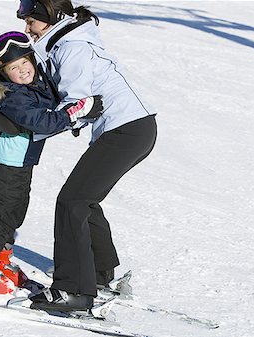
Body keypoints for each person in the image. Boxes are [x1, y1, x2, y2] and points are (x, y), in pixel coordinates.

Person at [16, 0, 158, 312]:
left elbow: (78, 103)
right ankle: (98, 272)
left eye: (31, 21)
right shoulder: (68, 41)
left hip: (126, 129)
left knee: (73, 201)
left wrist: (35, 130)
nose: (27, 29)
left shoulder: (73, 47)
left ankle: (74, 291)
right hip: (133, 128)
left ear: (50, 16)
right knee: (84, 199)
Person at [0, 30, 103, 294]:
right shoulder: (12, 95)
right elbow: (42, 122)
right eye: (14, 68)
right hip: (7, 165)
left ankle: (0, 262)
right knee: (3, 216)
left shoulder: (34, 86)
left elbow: (52, 109)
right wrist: (73, 114)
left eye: (25, 63)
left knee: (15, 212)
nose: (23, 70)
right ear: (4, 75)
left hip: (21, 163)